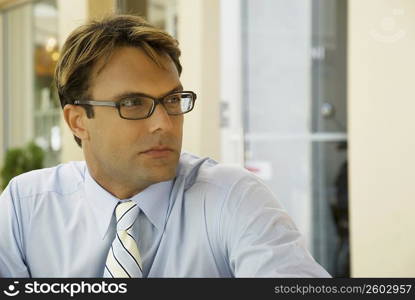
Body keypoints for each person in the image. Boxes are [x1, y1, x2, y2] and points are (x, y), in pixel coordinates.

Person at [0, 15, 330, 278]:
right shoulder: (26, 207)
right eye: (132, 102)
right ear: (77, 121)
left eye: (172, 99)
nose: (164, 123)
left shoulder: (232, 197)